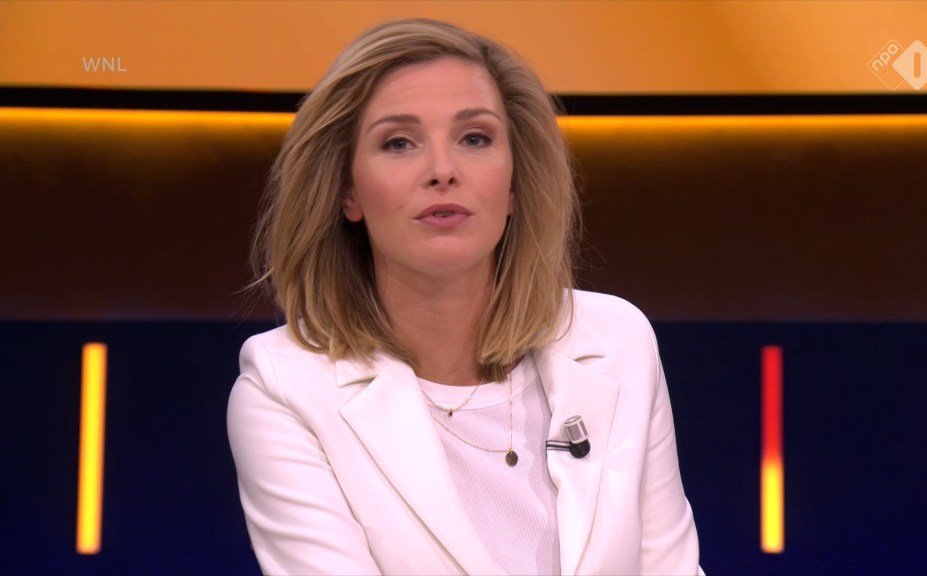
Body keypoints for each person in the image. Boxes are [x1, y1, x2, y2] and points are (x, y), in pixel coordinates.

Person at [227, 18, 703, 576]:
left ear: (515, 184)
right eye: (399, 143)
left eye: (475, 138)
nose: (442, 171)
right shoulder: (284, 390)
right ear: (347, 191)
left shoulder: (617, 341)